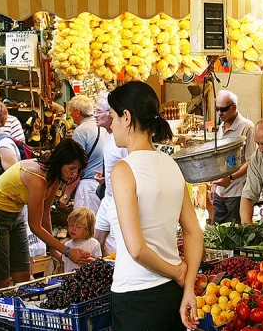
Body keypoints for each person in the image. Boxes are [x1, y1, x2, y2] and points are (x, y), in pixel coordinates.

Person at [108, 81, 203, 330]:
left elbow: (136, 249)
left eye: (112, 117)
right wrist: (188, 287)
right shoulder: (171, 164)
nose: (110, 126)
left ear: (126, 117)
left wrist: (177, 272)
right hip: (172, 296)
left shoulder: (123, 170)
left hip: (136, 300)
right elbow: (194, 232)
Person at [0, 139, 92, 288]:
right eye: (72, 168)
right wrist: (67, 251)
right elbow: (35, 226)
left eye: (78, 170)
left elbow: (46, 215)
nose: (74, 174)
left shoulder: (55, 176)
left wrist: (53, 249)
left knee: (23, 275)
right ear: (60, 162)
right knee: (2, 279)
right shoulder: (37, 178)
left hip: (16, 214)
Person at [211, 90, 255, 224]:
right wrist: (213, 185)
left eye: (223, 109)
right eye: (217, 109)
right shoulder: (221, 126)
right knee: (215, 233)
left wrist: (230, 178)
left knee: (233, 235)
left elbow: (251, 161)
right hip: (220, 192)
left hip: (237, 193)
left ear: (234, 107)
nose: (219, 113)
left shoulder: (246, 127)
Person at [93, 92, 126, 256]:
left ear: (111, 113)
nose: (95, 115)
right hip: (108, 197)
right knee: (96, 242)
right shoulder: (108, 135)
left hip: (120, 201)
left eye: (99, 111)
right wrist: (105, 179)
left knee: (115, 250)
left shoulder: (122, 140)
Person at [62, 95, 106, 214]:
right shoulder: (103, 128)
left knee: (85, 227)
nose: (70, 115)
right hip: (102, 185)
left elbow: (75, 168)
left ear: (77, 112)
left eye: (70, 111)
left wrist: (66, 195)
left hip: (87, 189)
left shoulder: (81, 131)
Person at [62, 207, 102, 273]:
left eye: (78, 227)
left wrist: (90, 260)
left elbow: (100, 264)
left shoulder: (94, 244)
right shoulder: (67, 245)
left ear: (87, 229)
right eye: (71, 225)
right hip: (70, 279)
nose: (73, 229)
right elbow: (63, 265)